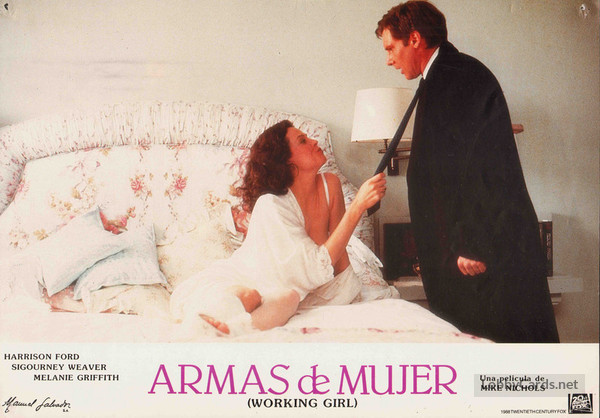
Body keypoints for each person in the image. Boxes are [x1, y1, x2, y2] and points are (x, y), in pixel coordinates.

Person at [375, 1, 559, 342]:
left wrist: (472, 244)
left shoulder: (457, 77)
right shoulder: (443, 75)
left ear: (414, 39)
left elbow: (481, 163)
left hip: (478, 251)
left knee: (500, 348)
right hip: (463, 251)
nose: (388, 60)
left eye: (390, 48)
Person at [170, 120, 386, 335]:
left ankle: (234, 332)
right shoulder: (271, 205)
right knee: (250, 296)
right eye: (303, 141)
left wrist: (345, 290)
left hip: (282, 291)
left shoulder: (330, 184)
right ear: (286, 160)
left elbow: (339, 258)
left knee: (289, 298)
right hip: (241, 281)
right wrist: (357, 206)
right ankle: (204, 324)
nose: (314, 141)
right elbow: (314, 268)